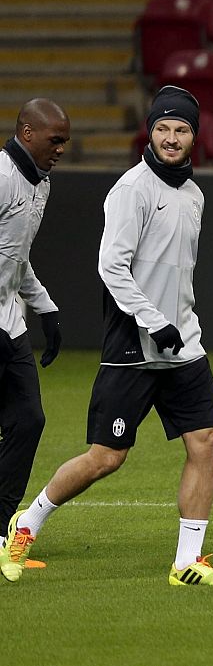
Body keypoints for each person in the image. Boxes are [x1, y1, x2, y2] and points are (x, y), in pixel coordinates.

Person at [3, 87, 213, 586]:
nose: (171, 139)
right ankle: (28, 521)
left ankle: (187, 561)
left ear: (195, 137)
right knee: (106, 458)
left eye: (181, 130)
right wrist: (153, 320)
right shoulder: (131, 190)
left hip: (184, 344)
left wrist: (177, 324)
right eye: (162, 129)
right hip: (135, 345)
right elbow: (112, 267)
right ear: (148, 133)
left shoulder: (195, 194)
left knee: (207, 441)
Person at [0, 100, 68, 536]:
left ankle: (1, 525)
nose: (61, 148)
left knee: (28, 420)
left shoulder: (40, 184)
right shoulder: (2, 178)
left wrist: (46, 308)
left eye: (65, 140)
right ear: (28, 133)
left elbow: (16, 259)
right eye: (54, 139)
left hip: (10, 322)